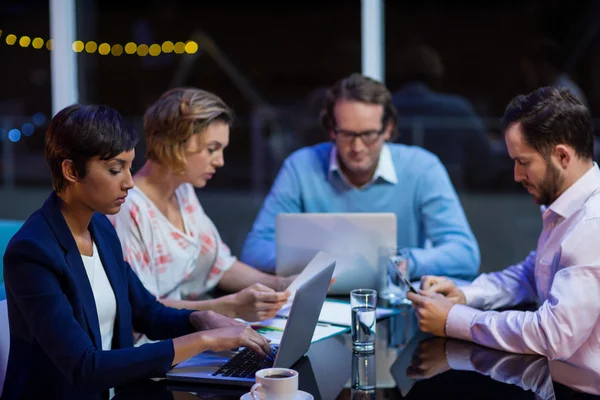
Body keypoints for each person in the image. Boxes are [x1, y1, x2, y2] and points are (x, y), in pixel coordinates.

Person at [2, 104, 272, 400]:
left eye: (130, 167)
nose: (129, 182)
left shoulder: (101, 228)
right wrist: (205, 339)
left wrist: (202, 318)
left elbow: (147, 312)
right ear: (70, 171)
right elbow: (84, 367)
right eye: (115, 169)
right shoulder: (32, 252)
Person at [408, 87, 600, 372]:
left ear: (562, 156)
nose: (516, 175)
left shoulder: (591, 224)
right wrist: (466, 294)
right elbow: (532, 274)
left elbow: (550, 336)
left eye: (523, 162)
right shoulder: (569, 209)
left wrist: (455, 319)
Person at [241, 73, 480, 281]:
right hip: (320, 302)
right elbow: (254, 250)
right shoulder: (301, 167)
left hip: (396, 304)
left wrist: (401, 262)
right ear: (332, 129)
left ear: (388, 129)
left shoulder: (422, 168)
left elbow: (464, 254)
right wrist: (316, 262)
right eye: (346, 134)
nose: (357, 147)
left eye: (368, 135)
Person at [109, 88, 292, 324]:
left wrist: (282, 284)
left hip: (188, 337)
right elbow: (142, 308)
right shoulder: (128, 209)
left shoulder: (183, 191)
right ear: (176, 142)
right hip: (155, 349)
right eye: (212, 149)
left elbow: (219, 264)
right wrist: (229, 308)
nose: (220, 161)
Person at [391, 44, 494, 189]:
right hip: (454, 195)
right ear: (438, 75)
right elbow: (484, 165)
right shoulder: (458, 110)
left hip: (395, 196)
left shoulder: (386, 109)